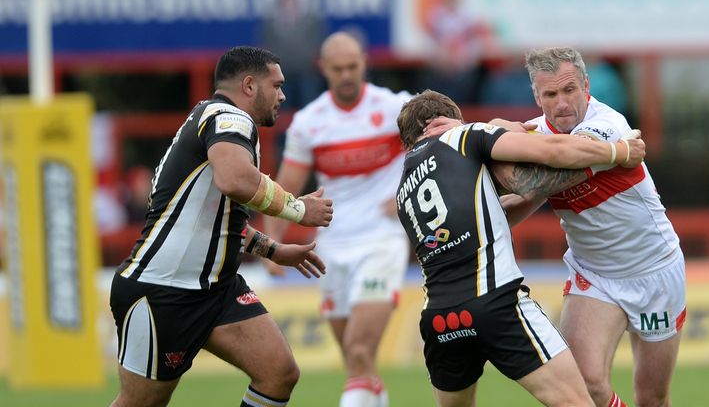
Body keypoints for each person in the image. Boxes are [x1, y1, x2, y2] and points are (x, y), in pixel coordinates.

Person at [427, 47, 686, 407]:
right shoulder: (538, 136)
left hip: (654, 269)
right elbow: (529, 194)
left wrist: (475, 134)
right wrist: (466, 222)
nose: (562, 103)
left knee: (652, 398)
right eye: (550, 94)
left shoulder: (607, 126)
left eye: (569, 90)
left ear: (586, 86)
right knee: (584, 383)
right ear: (536, 96)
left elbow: (549, 170)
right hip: (593, 274)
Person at [109, 46, 333, 407]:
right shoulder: (230, 118)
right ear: (249, 85)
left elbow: (219, 220)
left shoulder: (214, 120)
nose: (282, 96)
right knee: (142, 403)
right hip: (163, 290)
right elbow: (234, 180)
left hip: (216, 290)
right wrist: (298, 209)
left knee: (278, 373)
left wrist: (274, 250)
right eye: (276, 86)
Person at [396, 89, 645, 407]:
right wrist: (618, 152)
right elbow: (552, 150)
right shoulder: (464, 137)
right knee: (577, 402)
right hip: (495, 302)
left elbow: (488, 212)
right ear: (446, 121)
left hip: (439, 319)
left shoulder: (403, 190)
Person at [262, 31, 411, 407]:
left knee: (359, 350)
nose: (346, 75)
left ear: (365, 63)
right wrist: (272, 243)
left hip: (382, 240)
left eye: (352, 66)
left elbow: (443, 145)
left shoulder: (396, 108)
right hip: (331, 246)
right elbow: (287, 187)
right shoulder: (309, 123)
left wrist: (407, 191)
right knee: (357, 362)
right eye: (338, 68)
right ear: (323, 68)